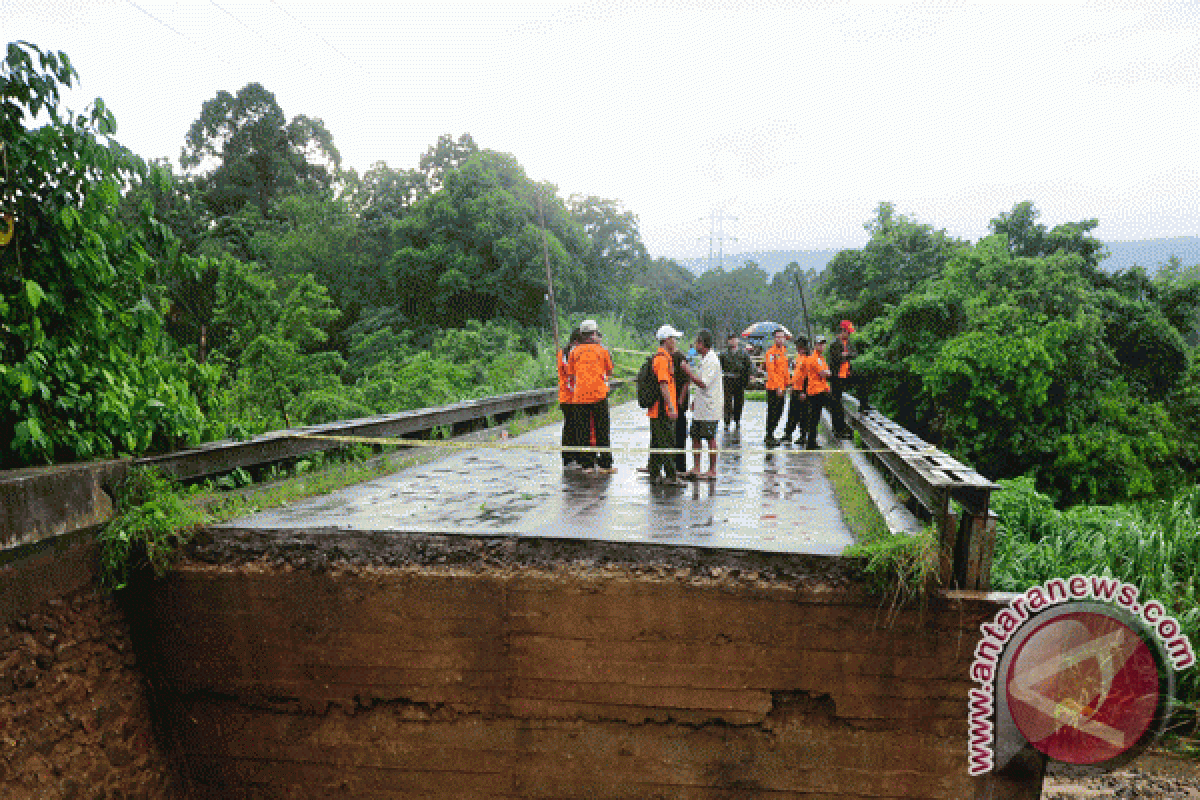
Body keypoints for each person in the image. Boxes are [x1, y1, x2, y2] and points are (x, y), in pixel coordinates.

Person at [567, 319, 616, 473]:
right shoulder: (602, 351)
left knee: (582, 430)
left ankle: (586, 465)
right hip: (599, 395)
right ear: (594, 334)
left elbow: (571, 373)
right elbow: (609, 371)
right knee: (602, 430)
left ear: (582, 335)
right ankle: (605, 464)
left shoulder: (574, 351)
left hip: (579, 396)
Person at [647, 325, 684, 485]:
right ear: (667, 340)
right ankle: (671, 476)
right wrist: (671, 406)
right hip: (662, 409)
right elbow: (663, 384)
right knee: (667, 442)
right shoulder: (662, 359)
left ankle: (655, 474)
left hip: (658, 409)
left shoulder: (664, 357)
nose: (675, 342)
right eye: (674, 338)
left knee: (657, 442)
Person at [685, 329, 723, 480]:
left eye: (697, 342)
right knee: (695, 436)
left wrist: (688, 372)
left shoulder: (711, 360)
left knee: (709, 437)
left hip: (710, 407)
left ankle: (712, 469)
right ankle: (697, 467)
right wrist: (695, 400)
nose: (695, 345)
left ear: (702, 343)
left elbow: (703, 383)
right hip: (702, 405)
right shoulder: (704, 358)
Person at [558, 328, 585, 468]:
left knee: (577, 426)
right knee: (570, 427)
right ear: (575, 342)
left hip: (577, 396)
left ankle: (577, 456)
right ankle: (568, 458)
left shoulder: (572, 353)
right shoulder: (565, 354)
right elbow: (569, 372)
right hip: (568, 397)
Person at [801, 334, 833, 450]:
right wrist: (828, 372)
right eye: (819, 344)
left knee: (815, 417)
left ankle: (812, 441)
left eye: (823, 344)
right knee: (814, 417)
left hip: (821, 390)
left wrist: (827, 372)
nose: (822, 346)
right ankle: (810, 442)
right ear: (815, 345)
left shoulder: (821, 358)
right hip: (815, 391)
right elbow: (824, 373)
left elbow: (826, 371)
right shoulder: (813, 358)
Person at [827, 320, 858, 439]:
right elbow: (834, 359)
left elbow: (854, 354)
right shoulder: (835, 343)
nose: (849, 335)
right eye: (848, 332)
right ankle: (837, 430)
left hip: (846, 375)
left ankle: (843, 428)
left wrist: (845, 355)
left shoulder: (848, 342)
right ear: (843, 331)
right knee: (837, 404)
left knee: (842, 403)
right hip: (837, 376)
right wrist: (844, 356)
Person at [780, 337, 810, 445]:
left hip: (802, 390)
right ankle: (788, 434)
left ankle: (803, 435)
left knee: (803, 414)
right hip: (796, 389)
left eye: (799, 346)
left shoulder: (807, 359)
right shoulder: (799, 357)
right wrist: (792, 386)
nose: (798, 348)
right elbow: (797, 374)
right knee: (792, 413)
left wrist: (804, 391)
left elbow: (808, 377)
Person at [763, 328, 790, 446]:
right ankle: (769, 435)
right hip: (773, 387)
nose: (780, 339)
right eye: (778, 337)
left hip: (782, 387)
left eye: (782, 337)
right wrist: (779, 386)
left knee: (780, 411)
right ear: (774, 339)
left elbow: (785, 370)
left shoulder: (784, 351)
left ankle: (771, 432)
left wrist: (788, 384)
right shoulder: (770, 353)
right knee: (772, 411)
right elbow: (771, 371)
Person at [719, 334, 753, 429]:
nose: (732, 341)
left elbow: (749, 367)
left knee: (739, 401)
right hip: (728, 379)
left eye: (734, 339)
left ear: (737, 341)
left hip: (739, 379)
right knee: (727, 401)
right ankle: (727, 421)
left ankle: (737, 419)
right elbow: (718, 367)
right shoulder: (723, 354)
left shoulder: (743, 353)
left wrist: (748, 379)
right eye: (730, 340)